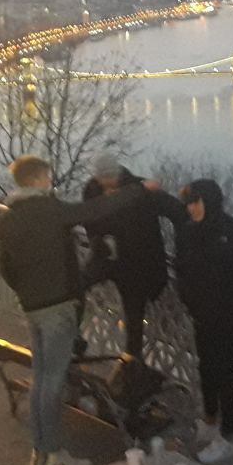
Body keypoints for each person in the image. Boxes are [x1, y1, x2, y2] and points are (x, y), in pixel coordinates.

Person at [0, 155, 154, 465]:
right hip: (58, 309)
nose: (50, 181)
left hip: (34, 309)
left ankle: (40, 451)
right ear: (39, 179)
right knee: (51, 384)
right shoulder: (50, 210)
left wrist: (29, 293)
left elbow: (7, 270)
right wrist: (139, 190)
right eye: (47, 176)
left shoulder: (7, 220)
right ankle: (53, 458)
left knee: (41, 379)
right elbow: (94, 211)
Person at [82, 152, 187, 400]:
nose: (104, 183)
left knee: (134, 314)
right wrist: (98, 240)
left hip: (136, 264)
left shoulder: (142, 190)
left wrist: (187, 249)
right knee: (75, 285)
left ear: (117, 174)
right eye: (100, 179)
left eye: (107, 177)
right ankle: (72, 341)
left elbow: (177, 212)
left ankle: (132, 366)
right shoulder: (92, 189)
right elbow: (88, 218)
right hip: (106, 258)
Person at [175, 179, 233, 464]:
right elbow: (181, 270)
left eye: (195, 202)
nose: (191, 208)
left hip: (226, 314)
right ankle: (210, 420)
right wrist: (189, 299)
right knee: (206, 366)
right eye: (188, 203)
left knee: (223, 372)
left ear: (208, 202)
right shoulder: (188, 233)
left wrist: (225, 300)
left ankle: (228, 436)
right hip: (201, 313)